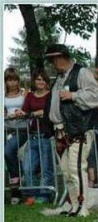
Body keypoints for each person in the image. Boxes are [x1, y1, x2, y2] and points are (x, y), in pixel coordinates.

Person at [45, 44, 98, 217]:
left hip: (79, 128)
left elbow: (97, 94)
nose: (55, 63)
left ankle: (82, 206)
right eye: (52, 60)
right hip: (61, 130)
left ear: (65, 56)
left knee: (76, 167)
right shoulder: (59, 78)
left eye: (57, 58)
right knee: (66, 169)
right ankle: (74, 205)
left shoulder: (82, 72)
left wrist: (74, 95)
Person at [19, 69, 54, 205]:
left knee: (46, 168)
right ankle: (31, 195)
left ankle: (44, 195)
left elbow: (50, 111)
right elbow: (25, 110)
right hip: (32, 136)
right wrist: (20, 112)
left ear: (47, 82)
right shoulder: (30, 96)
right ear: (34, 81)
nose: (41, 81)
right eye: (38, 79)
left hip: (46, 135)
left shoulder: (51, 95)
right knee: (28, 167)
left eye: (43, 79)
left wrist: (37, 113)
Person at [4, 67, 28, 205]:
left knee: (8, 151)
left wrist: (21, 112)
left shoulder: (24, 93)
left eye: (14, 80)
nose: (12, 83)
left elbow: (28, 107)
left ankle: (20, 176)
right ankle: (16, 191)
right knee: (7, 156)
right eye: (9, 80)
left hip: (22, 129)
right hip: (7, 128)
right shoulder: (3, 95)